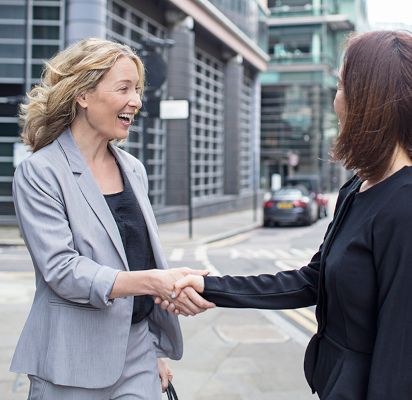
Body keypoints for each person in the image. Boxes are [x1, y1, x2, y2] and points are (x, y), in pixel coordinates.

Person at [161, 30, 412, 399]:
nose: (334, 102)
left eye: (340, 88)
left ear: (368, 99)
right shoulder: (355, 189)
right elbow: (311, 280)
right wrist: (211, 287)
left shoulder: (404, 207)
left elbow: (399, 356)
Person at [11, 37, 213, 400]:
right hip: (69, 360)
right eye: (124, 88)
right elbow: (62, 270)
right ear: (83, 95)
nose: (136, 100)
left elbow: (138, 258)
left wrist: (154, 349)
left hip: (136, 354)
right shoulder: (40, 173)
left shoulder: (133, 169)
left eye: (136, 89)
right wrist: (154, 282)